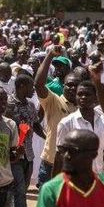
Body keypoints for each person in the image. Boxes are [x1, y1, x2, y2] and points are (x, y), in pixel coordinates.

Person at [53, 78, 104, 178]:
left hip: (99, 180)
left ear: (96, 98)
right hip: (75, 181)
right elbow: (60, 156)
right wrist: (55, 186)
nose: (83, 97)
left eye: (87, 94)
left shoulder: (103, 121)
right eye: (80, 94)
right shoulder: (66, 123)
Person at [35, 46, 79, 186]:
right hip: (50, 163)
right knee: (47, 206)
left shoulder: (85, 108)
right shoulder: (54, 100)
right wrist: (50, 55)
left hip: (74, 167)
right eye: (69, 85)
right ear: (63, 85)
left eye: (76, 85)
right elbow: (38, 84)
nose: (72, 88)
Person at [5, 72, 44, 207]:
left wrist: (47, 138)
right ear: (21, 86)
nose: (33, 90)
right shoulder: (8, 104)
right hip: (14, 156)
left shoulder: (30, 105)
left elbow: (35, 124)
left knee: (21, 192)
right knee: (19, 193)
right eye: (31, 86)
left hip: (28, 154)